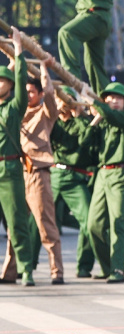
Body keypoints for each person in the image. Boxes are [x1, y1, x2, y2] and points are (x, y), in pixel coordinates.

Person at [5, 59, 64, 285]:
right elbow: (6, 87)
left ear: (38, 94)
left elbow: (50, 94)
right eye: (26, 91)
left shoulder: (45, 114)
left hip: (38, 173)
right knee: (15, 225)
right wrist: (12, 66)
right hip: (18, 173)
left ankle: (56, 271)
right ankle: (10, 271)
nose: (28, 95)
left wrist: (43, 68)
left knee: (46, 224)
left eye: (32, 91)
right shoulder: (15, 112)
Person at [85, 81, 124, 283]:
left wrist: (95, 103)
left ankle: (118, 269)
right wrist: (95, 120)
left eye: (119, 98)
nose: (114, 101)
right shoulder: (104, 120)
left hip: (120, 173)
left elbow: (113, 116)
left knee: (119, 222)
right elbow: (86, 142)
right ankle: (108, 267)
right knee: (94, 225)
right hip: (102, 173)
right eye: (110, 98)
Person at [50, 86, 97, 277]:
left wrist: (78, 115)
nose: (64, 103)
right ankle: (25, 266)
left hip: (75, 177)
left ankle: (84, 266)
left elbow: (85, 139)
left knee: (88, 222)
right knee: (36, 221)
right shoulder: (52, 121)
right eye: (60, 99)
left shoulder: (82, 121)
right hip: (54, 174)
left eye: (67, 99)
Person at [0, 28, 34, 286]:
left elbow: (23, 82)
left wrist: (19, 51)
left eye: (3, 80)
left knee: (17, 222)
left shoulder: (14, 106)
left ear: (10, 85)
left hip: (10, 169)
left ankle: (26, 270)